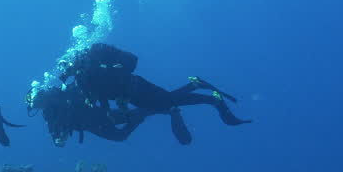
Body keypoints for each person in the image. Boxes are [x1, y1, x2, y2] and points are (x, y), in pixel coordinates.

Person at [64, 43, 251, 145]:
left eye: (70, 65)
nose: (70, 70)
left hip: (137, 86)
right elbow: (101, 99)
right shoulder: (82, 81)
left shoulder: (97, 56)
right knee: (165, 103)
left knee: (167, 104)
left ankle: (207, 97)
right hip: (131, 97)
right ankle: (196, 87)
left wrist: (115, 71)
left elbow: (131, 60)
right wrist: (113, 111)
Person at [26, 81, 154, 146]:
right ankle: (155, 110)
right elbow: (53, 131)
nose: (39, 107)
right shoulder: (48, 113)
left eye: (37, 104)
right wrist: (58, 140)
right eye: (36, 105)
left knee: (121, 134)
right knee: (122, 133)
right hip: (92, 124)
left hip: (98, 116)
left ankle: (157, 109)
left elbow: (83, 88)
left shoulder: (63, 94)